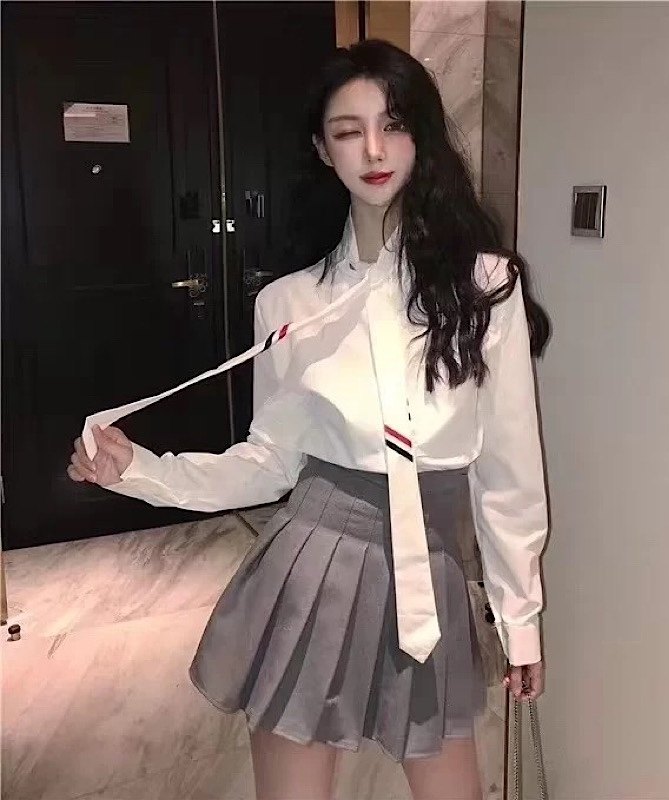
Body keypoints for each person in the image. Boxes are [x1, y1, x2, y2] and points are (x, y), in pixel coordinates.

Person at [67, 39, 551, 800]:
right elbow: (270, 463)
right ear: (323, 151)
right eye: (348, 130)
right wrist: (143, 471)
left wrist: (520, 618)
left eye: (394, 124)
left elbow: (510, 473)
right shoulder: (288, 303)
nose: (374, 149)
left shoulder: (486, 286)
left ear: (422, 137)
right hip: (315, 568)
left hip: (432, 573)